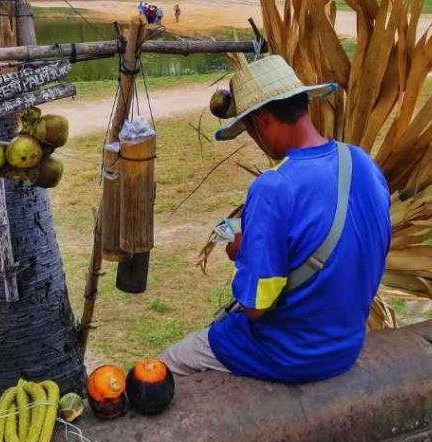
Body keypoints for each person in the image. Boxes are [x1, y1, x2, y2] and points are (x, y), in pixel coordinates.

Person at [160, 56, 392, 384]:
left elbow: (255, 305)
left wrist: (242, 251)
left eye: (250, 130)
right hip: (347, 346)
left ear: (264, 120)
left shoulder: (273, 186)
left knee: (167, 364)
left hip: (290, 354)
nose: (255, 142)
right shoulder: (362, 161)